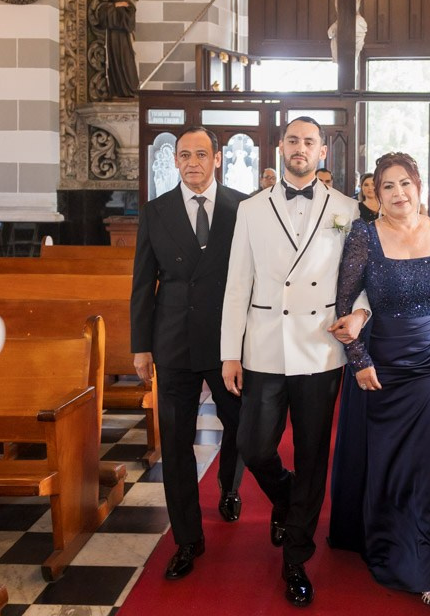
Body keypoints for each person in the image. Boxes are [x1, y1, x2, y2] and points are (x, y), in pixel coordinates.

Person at [221, 116, 371, 608]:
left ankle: (296, 558)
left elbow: (359, 277)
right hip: (264, 346)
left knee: (311, 456)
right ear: (280, 147)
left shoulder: (346, 209)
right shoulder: (251, 208)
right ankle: (284, 496)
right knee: (253, 445)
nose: (300, 148)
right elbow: (237, 283)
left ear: (323, 151)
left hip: (319, 347)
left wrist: (360, 314)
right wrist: (230, 352)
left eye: (309, 141)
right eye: (292, 140)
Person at [329, 151, 430, 609]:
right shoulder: (364, 235)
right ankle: (386, 539)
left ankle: (425, 564)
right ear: (376, 194)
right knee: (389, 464)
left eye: (405, 184)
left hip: (429, 367)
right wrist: (358, 360)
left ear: (419, 186)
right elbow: (344, 304)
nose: (398, 193)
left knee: (425, 465)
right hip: (381, 366)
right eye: (388, 186)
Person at [131, 126, 247, 582]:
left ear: (217, 159)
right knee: (177, 444)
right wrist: (141, 346)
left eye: (201, 154)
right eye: (184, 155)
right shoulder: (156, 211)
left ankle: (229, 486)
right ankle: (187, 538)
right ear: (175, 160)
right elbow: (143, 283)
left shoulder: (243, 207)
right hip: (173, 341)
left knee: (240, 425)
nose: (192, 162)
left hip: (227, 342)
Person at [301, 0, 392, 62]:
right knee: (341, 56)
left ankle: (347, 62)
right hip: (342, 23)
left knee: (348, 56)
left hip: (356, 24)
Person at [96, 0, 140, 98]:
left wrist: (119, 7)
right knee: (114, 61)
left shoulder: (127, 3)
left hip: (123, 37)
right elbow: (102, 15)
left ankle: (131, 89)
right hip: (112, 37)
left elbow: (130, 16)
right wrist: (115, 5)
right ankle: (117, 90)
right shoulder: (108, 4)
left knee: (126, 60)